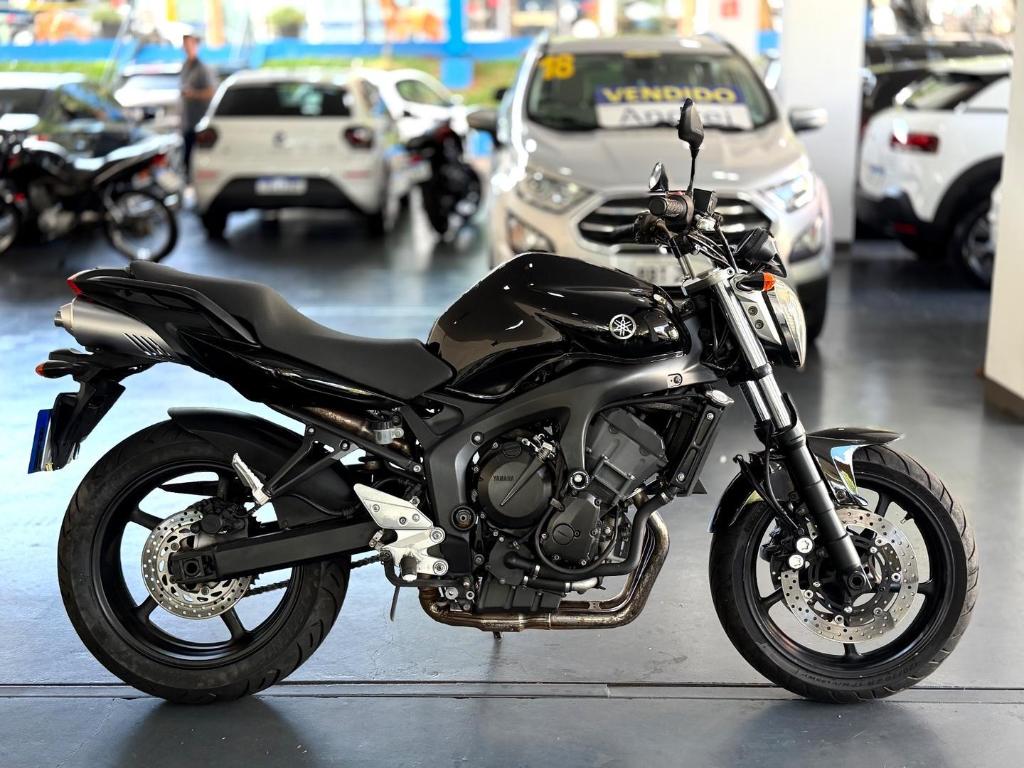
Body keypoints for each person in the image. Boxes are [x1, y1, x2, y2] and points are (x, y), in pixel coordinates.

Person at [179, 33, 216, 184]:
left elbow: (211, 92)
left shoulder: (202, 69)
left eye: (190, 44)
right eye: (185, 45)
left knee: (196, 158)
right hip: (187, 120)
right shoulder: (185, 66)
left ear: (196, 46)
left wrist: (193, 94)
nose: (187, 48)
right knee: (186, 157)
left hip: (199, 121)